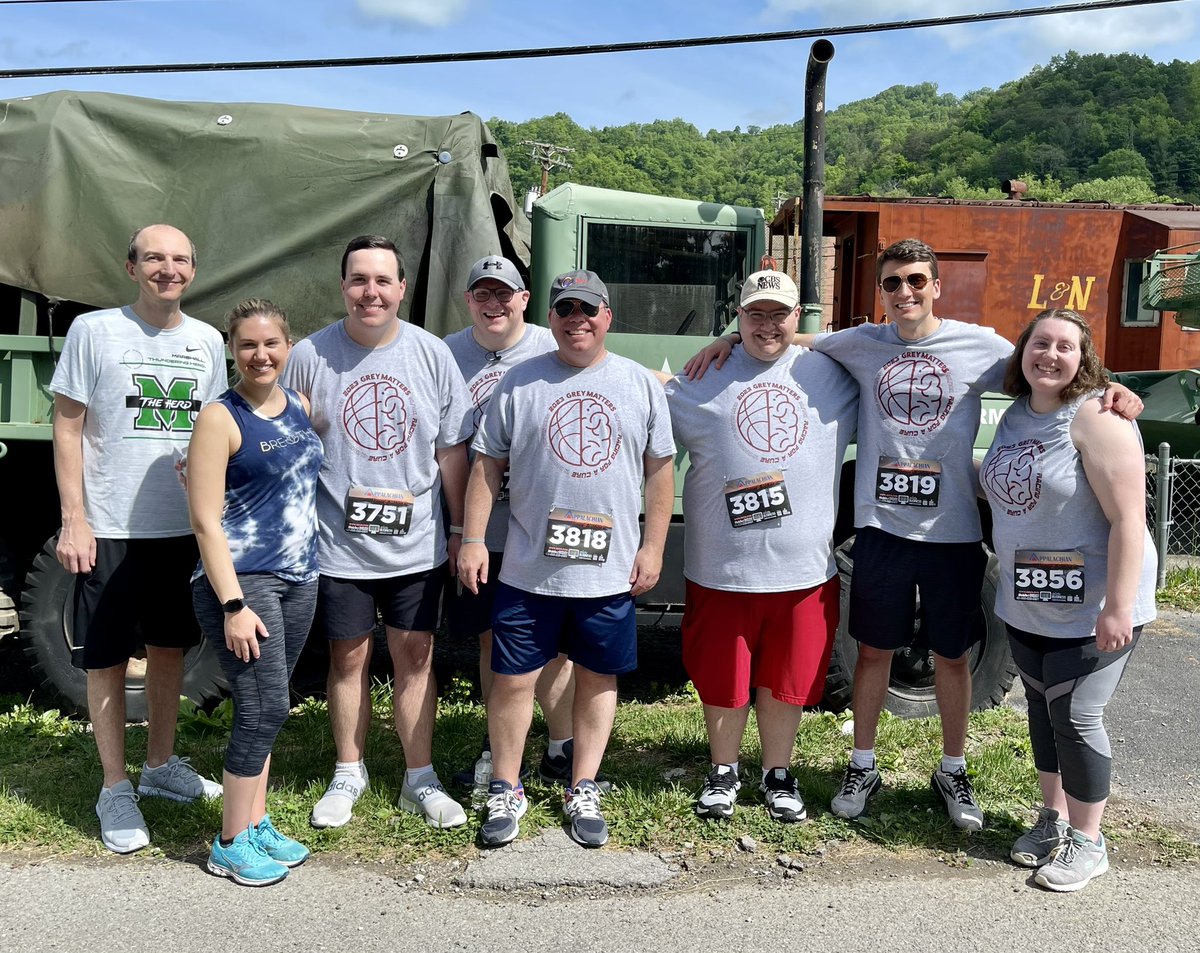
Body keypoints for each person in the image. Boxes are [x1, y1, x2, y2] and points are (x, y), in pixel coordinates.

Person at [684, 239, 1141, 831]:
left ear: (936, 286)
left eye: (917, 280)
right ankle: (862, 764)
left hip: (952, 534)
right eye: (894, 282)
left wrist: (1110, 388)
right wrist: (727, 339)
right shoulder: (862, 342)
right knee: (873, 651)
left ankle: (953, 768)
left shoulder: (979, 345)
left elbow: (1047, 368)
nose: (906, 292)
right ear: (881, 291)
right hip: (881, 531)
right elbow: (788, 336)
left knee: (952, 656)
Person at [459, 270, 675, 848]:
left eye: (588, 309)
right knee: (512, 681)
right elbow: (487, 464)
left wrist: (653, 546)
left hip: (608, 573)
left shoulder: (639, 383)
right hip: (528, 571)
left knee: (597, 679)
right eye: (565, 309)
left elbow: (660, 471)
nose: (577, 318)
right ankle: (506, 786)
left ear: (608, 316)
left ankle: (583, 785)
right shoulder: (519, 382)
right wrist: (473, 538)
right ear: (550, 318)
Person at [283, 235, 473, 831]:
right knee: (348, 658)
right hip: (338, 545)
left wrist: (460, 528)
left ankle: (420, 778)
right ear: (343, 286)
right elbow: (284, 439)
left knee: (416, 656)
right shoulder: (309, 355)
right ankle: (348, 771)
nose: (371, 292)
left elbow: (451, 451)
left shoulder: (431, 355)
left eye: (382, 280)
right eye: (359, 279)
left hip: (416, 544)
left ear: (401, 288)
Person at [50, 224, 225, 854]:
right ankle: (114, 786)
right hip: (112, 527)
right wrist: (75, 517)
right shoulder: (94, 331)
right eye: (154, 258)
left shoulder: (208, 341)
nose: (167, 269)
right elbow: (67, 426)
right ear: (131, 268)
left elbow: (215, 431)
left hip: (181, 527)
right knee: (106, 658)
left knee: (170, 648)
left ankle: (159, 766)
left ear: (193, 271)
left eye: (179, 259)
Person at [664, 270, 858, 823]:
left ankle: (778, 773)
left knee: (786, 681)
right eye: (755, 314)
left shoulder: (834, 374)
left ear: (798, 317)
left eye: (779, 314)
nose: (767, 325)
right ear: (739, 316)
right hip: (722, 570)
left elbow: (892, 350)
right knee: (723, 680)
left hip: (804, 572)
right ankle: (723, 771)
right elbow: (644, 403)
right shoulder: (703, 377)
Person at [981, 308, 1156, 892]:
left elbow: (1130, 519)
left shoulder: (1098, 418)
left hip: (1094, 603)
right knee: (1043, 709)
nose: (1050, 355)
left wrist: (1118, 606)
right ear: (1022, 350)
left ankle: (1089, 840)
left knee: (1077, 715)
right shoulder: (1015, 415)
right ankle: (1054, 818)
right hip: (1031, 597)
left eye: (1065, 346)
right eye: (1040, 343)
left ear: (1084, 360)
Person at [188, 299, 323, 886]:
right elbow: (204, 521)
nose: (260, 355)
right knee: (264, 708)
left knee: (267, 707)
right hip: (244, 583)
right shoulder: (220, 418)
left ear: (288, 347)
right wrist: (233, 605)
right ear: (232, 350)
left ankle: (255, 821)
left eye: (271, 344)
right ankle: (228, 842)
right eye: (247, 345)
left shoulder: (299, 406)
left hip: (300, 578)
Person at [443, 256, 577, 791]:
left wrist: (728, 342)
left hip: (545, 526)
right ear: (468, 301)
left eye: (505, 293)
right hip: (480, 529)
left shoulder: (553, 345)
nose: (494, 304)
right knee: (491, 640)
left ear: (524, 299)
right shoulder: (446, 353)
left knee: (556, 645)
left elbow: (618, 378)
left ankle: (562, 747)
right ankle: (499, 748)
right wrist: (460, 531)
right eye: (483, 294)